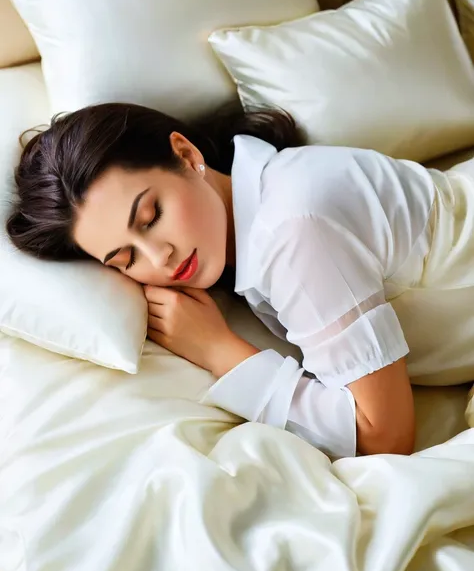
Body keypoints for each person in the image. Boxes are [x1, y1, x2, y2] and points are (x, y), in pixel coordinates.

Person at [7, 103, 474, 459]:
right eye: (125, 258)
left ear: (186, 154)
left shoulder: (291, 231)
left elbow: (385, 437)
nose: (160, 258)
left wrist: (219, 351)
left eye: (152, 216)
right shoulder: (264, 206)